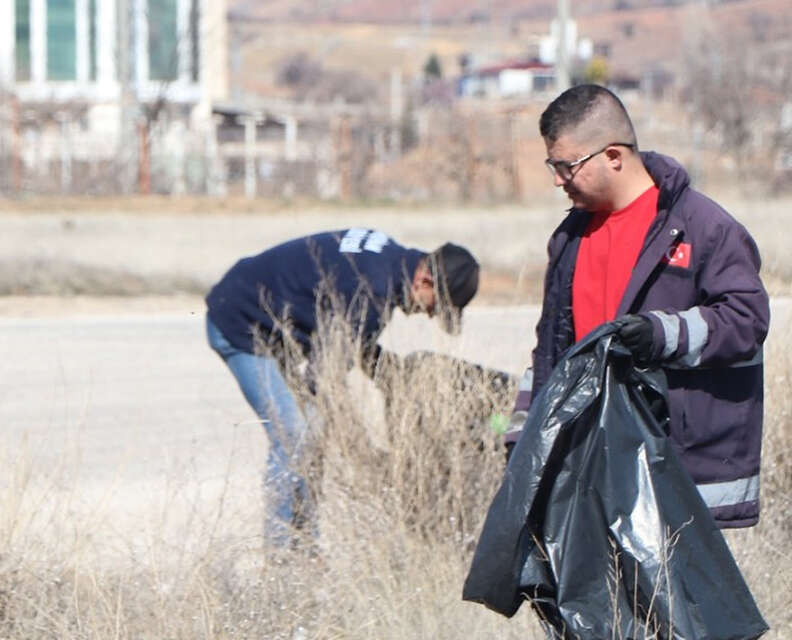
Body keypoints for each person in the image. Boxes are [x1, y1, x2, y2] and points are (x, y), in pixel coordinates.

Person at [505, 84, 769, 528]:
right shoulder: (568, 239)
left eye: (566, 166)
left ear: (613, 156)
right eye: (553, 166)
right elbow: (549, 353)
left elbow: (747, 320)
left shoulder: (705, 228)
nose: (557, 180)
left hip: (675, 474)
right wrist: (524, 438)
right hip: (585, 471)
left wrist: (660, 334)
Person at [205, 229, 480, 551]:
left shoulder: (389, 265)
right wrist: (363, 450)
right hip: (240, 322)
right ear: (424, 281)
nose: (429, 315)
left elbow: (349, 336)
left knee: (314, 432)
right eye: (435, 307)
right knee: (294, 434)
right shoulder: (375, 290)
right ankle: (280, 555)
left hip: (268, 322)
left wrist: (390, 373)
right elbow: (326, 379)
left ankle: (306, 548)